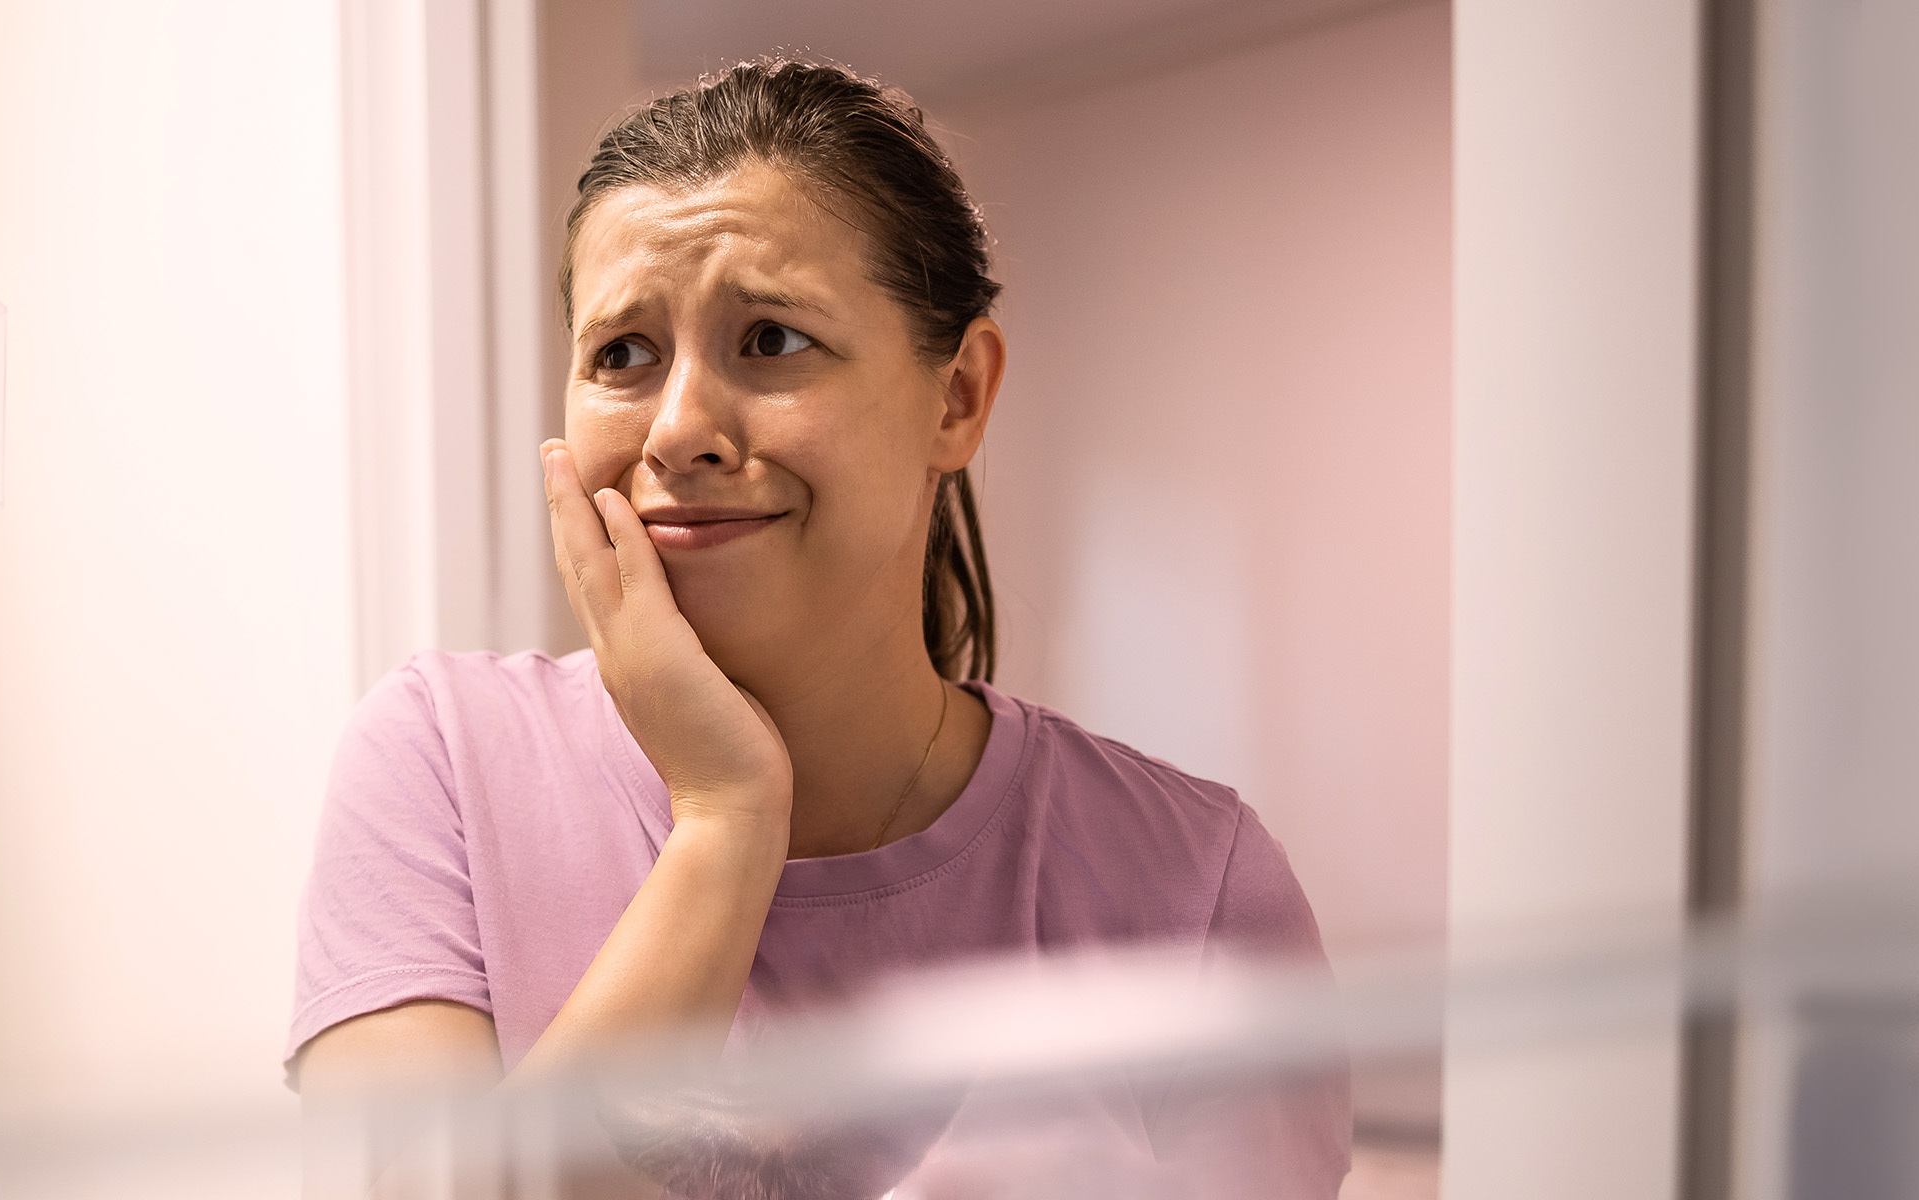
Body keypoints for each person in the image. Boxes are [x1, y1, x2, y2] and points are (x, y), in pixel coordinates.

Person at [288, 59, 1349, 1197]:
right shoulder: (438, 763)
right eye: (623, 355)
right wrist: (726, 817)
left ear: (958, 398)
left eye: (773, 340)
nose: (680, 429)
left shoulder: (1196, 887)